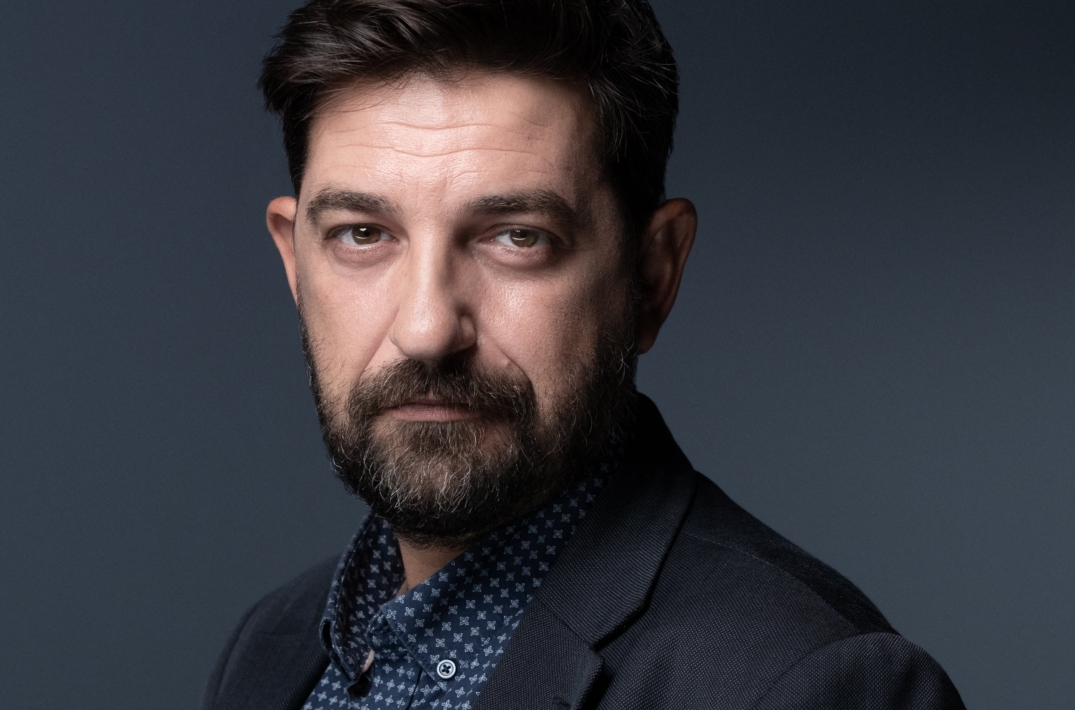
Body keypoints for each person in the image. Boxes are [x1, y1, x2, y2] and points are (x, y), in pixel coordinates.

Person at [203, 1, 964, 708]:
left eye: (518, 237)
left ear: (651, 275)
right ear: (296, 264)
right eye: (363, 234)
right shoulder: (270, 646)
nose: (428, 330)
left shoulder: (807, 683)